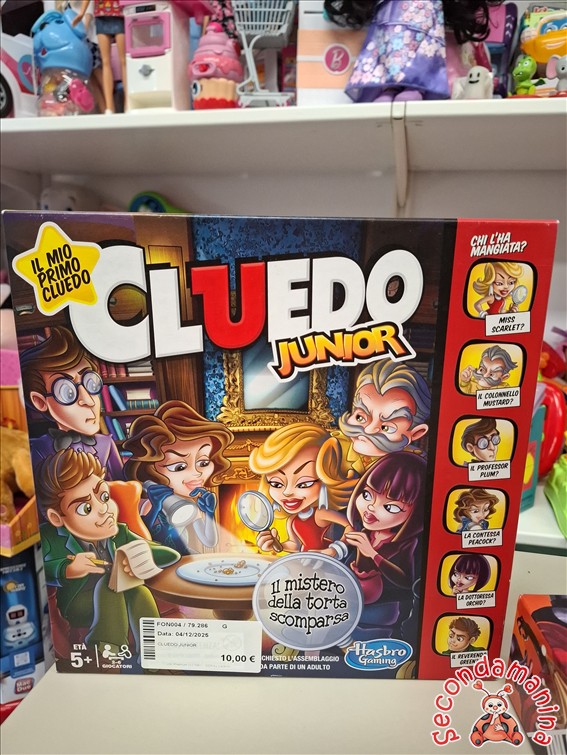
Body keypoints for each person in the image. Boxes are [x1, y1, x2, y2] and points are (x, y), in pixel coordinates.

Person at [37, 449, 179, 657]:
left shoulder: (120, 532)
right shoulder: (50, 536)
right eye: (86, 508)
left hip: (119, 596)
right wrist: (67, 569)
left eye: (104, 497)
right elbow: (40, 566)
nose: (103, 509)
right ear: (57, 518)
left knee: (138, 591)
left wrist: (146, 556)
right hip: (78, 604)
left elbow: (167, 553)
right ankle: (107, 647)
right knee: (110, 583)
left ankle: (153, 650)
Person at [123, 400, 233, 555]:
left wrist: (209, 513)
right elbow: (140, 540)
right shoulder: (148, 504)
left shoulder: (187, 504)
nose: (196, 473)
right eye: (179, 467)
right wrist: (155, 509)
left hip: (181, 558)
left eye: (203, 462)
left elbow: (209, 541)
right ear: (152, 469)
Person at [20, 326, 123, 481]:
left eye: (91, 383)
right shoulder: (38, 449)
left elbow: (126, 488)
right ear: (40, 401)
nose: (88, 401)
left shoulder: (106, 444)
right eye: (67, 392)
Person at [343, 451, 426, 640]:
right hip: (352, 608)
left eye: (391, 507)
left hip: (386, 615)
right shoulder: (365, 532)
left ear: (415, 513)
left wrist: (372, 553)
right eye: (367, 495)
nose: (371, 508)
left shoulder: (407, 543)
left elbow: (406, 581)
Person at [248, 422, 356, 555]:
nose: (287, 492)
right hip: (304, 560)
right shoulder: (292, 520)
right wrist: (276, 544)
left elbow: (351, 526)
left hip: (325, 560)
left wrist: (335, 550)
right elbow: (295, 545)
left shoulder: (320, 514)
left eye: (304, 484)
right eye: (276, 484)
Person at [338, 360, 430, 469]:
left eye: (386, 428)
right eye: (360, 417)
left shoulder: (413, 466)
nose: (368, 430)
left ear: (416, 433)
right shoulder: (334, 448)